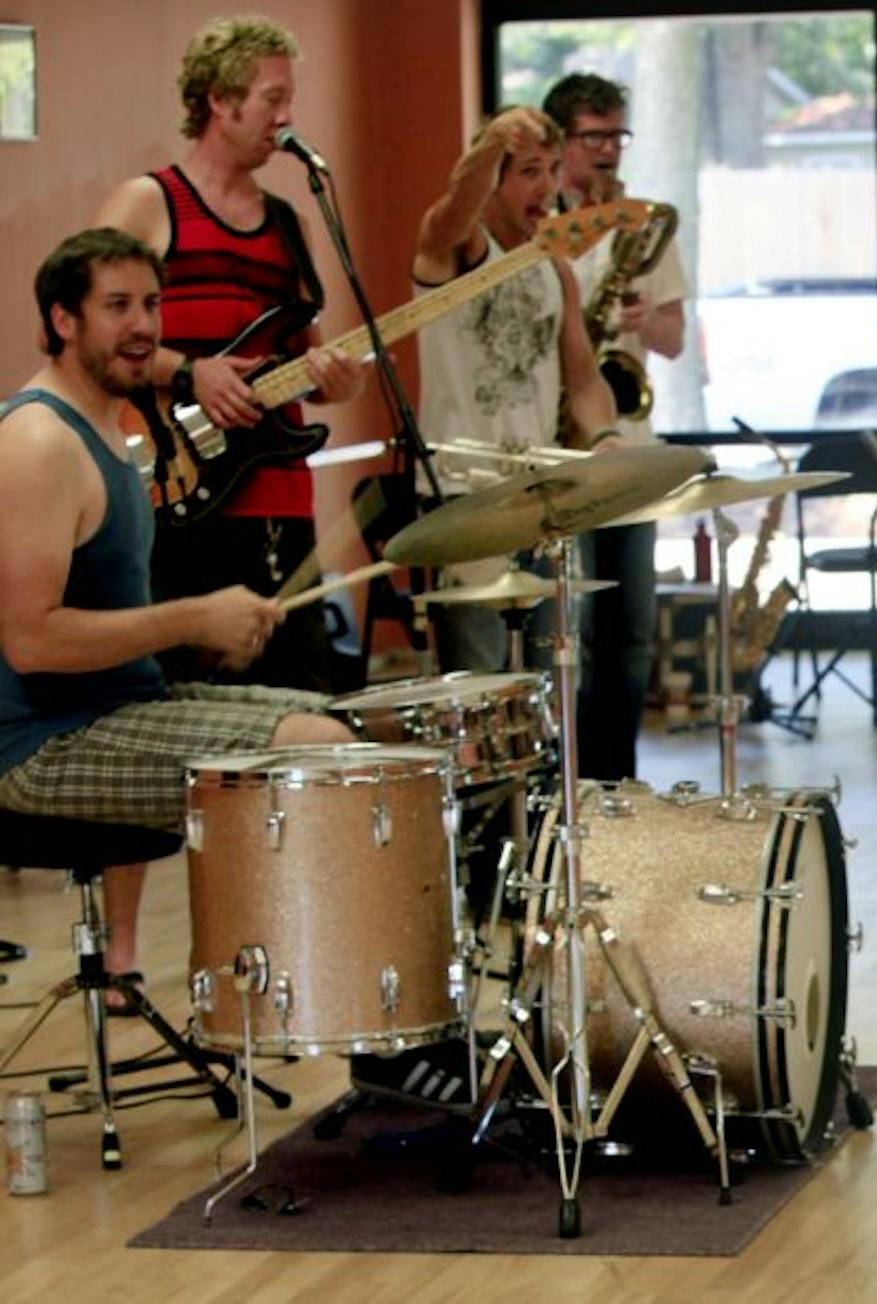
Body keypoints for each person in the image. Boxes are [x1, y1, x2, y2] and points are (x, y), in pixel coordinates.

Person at [0, 229, 353, 996]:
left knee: (358, 725)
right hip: (42, 748)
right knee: (320, 751)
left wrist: (205, 635)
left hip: (122, 708)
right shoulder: (37, 441)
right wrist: (191, 619)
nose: (143, 327)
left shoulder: (109, 425)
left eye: (152, 304)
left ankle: (280, 996)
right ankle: (275, 1004)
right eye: (117, 306)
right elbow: (29, 641)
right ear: (64, 320)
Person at [93, 15, 368, 693]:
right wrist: (190, 370)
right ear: (220, 100)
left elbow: (312, 366)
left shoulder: (288, 224)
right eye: (273, 97)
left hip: (279, 497)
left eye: (288, 99)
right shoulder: (149, 203)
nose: (287, 114)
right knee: (186, 692)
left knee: (291, 694)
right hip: (174, 490)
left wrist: (338, 377)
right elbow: (82, 336)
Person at [411, 105, 619, 675]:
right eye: (529, 170)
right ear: (493, 180)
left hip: (541, 498)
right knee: (478, 686)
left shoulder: (554, 268)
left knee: (557, 683)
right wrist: (488, 146)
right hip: (466, 496)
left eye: (554, 169)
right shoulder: (455, 251)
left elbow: (582, 378)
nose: (549, 187)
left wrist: (605, 435)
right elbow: (451, 212)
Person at [542, 72, 690, 782]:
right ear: (561, 141)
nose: (608, 150)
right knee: (570, 635)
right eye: (593, 136)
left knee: (629, 634)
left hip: (629, 444)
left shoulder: (645, 223)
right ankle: (570, 784)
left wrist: (641, 318)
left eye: (617, 135)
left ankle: (617, 778)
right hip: (563, 452)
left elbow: (674, 339)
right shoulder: (541, 231)